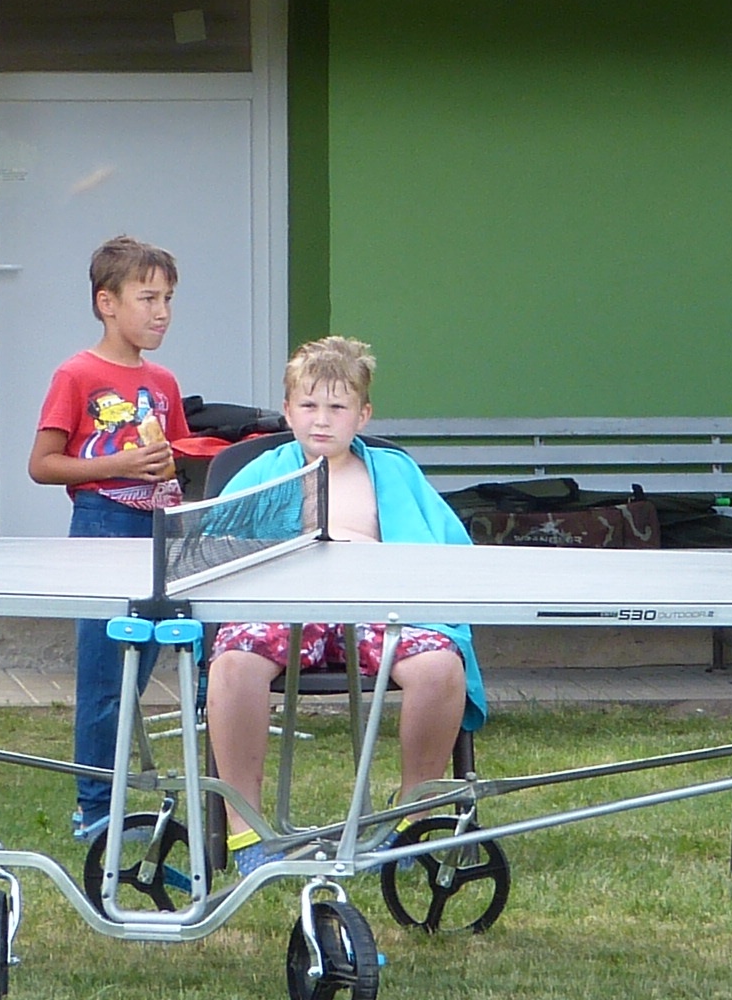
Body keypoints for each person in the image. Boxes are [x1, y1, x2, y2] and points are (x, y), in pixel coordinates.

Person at [200, 336, 487, 871]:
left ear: (363, 415)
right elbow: (207, 544)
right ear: (288, 411)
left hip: (380, 608)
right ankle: (246, 833)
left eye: (337, 407)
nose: (321, 420)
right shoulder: (263, 472)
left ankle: (412, 822)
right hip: (286, 609)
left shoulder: (394, 471)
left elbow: (450, 547)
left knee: (440, 668)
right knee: (233, 664)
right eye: (308, 405)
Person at [29, 236, 184, 840]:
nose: (161, 312)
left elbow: (178, 455)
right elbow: (43, 465)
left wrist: (179, 465)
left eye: (168, 299)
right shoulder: (76, 374)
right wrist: (117, 466)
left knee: (136, 674)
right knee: (103, 678)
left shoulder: (164, 382)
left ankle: (118, 797)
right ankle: (94, 810)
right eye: (148, 298)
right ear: (107, 303)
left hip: (158, 531)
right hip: (100, 526)